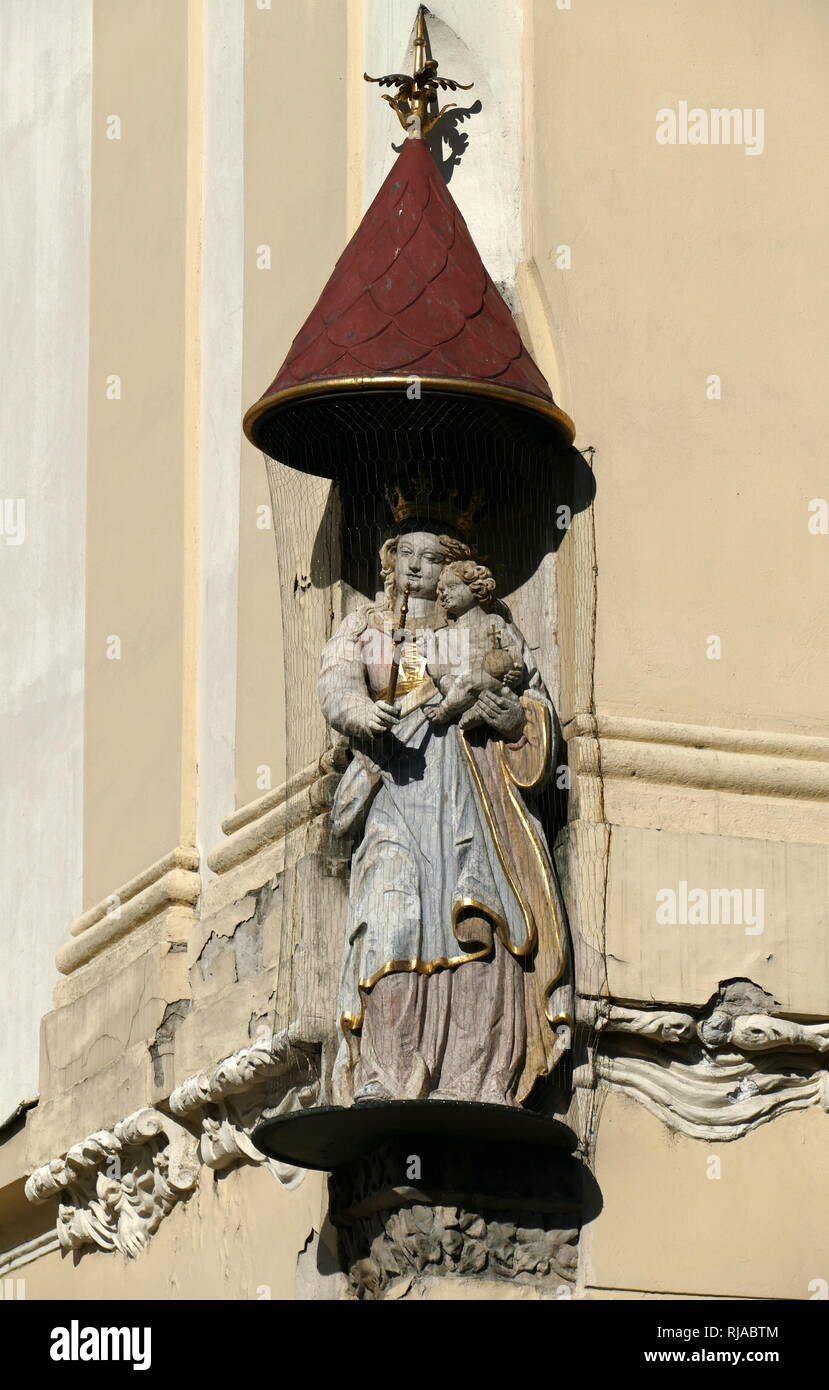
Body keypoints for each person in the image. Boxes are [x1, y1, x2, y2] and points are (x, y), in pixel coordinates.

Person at [317, 522, 572, 1108]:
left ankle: (474, 1075)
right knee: (390, 917)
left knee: (476, 916)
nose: (415, 568)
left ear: (453, 571)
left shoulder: (484, 630)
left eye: (430, 558)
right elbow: (337, 684)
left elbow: (532, 704)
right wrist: (360, 713)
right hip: (394, 788)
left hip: (472, 791)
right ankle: (385, 1069)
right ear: (390, 563)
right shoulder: (372, 628)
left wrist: (513, 720)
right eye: (405, 554)